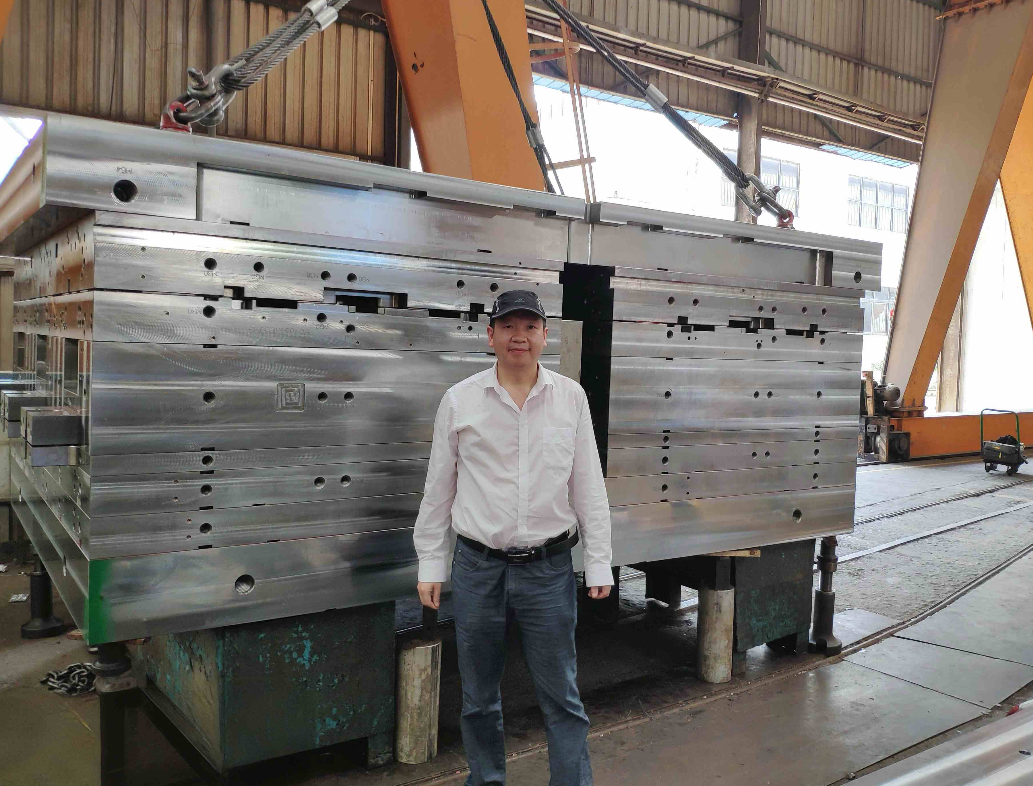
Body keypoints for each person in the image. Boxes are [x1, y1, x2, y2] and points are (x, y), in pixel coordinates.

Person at [413, 289, 613, 786]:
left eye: (529, 327)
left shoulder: (570, 398)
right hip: (478, 568)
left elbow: (588, 486)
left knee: (562, 696)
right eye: (507, 326)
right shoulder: (459, 401)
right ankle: (485, 780)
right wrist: (431, 563)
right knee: (479, 698)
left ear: (545, 336)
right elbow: (439, 488)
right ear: (490, 335)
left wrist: (600, 560)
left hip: (548, 571)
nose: (518, 336)